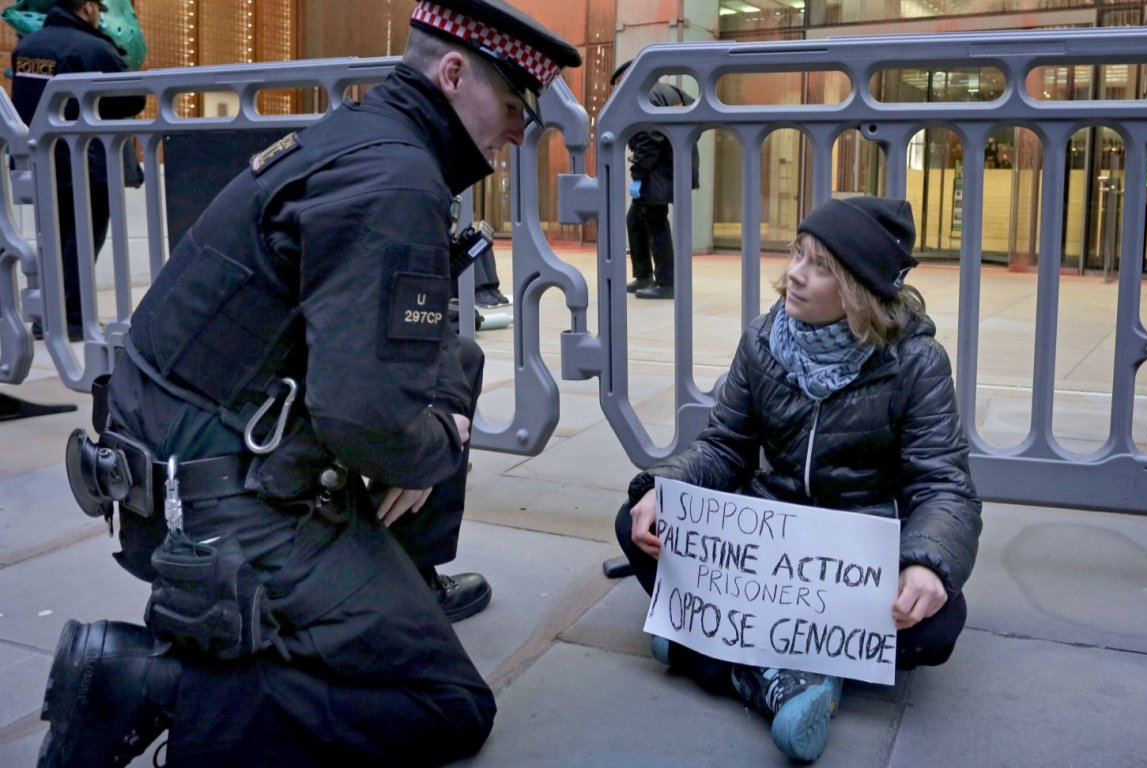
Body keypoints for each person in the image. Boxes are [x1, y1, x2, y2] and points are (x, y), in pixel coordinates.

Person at [39, 1, 580, 766]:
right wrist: (434, 444)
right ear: (454, 74)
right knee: (447, 706)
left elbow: (400, 362)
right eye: (515, 104)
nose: (522, 130)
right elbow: (366, 420)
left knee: (454, 367)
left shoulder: (359, 138)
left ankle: (394, 584)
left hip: (173, 456)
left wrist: (423, 432)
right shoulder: (397, 180)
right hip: (217, 503)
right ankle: (154, 684)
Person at [614, 196, 982, 761]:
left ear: (858, 289)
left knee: (939, 622)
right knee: (637, 522)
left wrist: (927, 563)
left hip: (854, 558)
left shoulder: (915, 363)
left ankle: (717, 651)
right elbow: (724, 446)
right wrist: (665, 489)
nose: (794, 275)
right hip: (769, 546)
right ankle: (786, 672)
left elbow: (942, 485)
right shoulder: (764, 340)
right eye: (798, 255)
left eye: (820, 266)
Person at [8, 0, 146, 342]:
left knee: (51, 240)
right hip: (86, 161)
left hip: (41, 158)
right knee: (82, 241)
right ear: (87, 8)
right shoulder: (93, 47)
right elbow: (132, 99)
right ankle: (71, 319)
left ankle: (47, 318)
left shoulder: (29, 46)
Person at [610, 58, 700, 300]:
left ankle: (666, 282)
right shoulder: (671, 92)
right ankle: (644, 275)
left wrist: (638, 173)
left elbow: (651, 137)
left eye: (619, 83)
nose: (618, 90)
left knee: (655, 221)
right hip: (674, 166)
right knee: (636, 219)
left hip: (657, 171)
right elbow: (695, 117)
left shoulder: (647, 95)